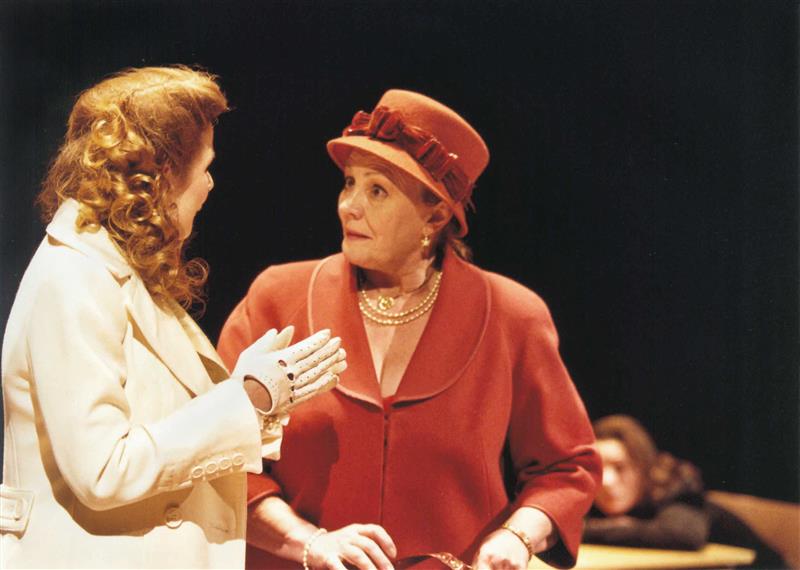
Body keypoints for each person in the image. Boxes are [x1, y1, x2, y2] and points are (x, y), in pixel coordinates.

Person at [217, 89, 601, 570]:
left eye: (376, 190)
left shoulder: (513, 316)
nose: (349, 206)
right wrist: (308, 542)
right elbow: (219, 453)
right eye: (349, 183)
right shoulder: (278, 298)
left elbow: (567, 468)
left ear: (435, 215)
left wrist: (517, 537)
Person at [0, 66, 346, 569]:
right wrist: (246, 398)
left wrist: (249, 396)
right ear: (160, 174)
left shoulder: (120, 272)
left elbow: (161, 425)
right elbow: (103, 469)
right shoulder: (73, 278)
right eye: (204, 166)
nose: (209, 184)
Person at [585, 414, 786, 568]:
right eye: (597, 469)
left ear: (643, 467)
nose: (607, 481)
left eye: (620, 467)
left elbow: (681, 535)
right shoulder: (599, 501)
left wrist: (582, 531)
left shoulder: (672, 484)